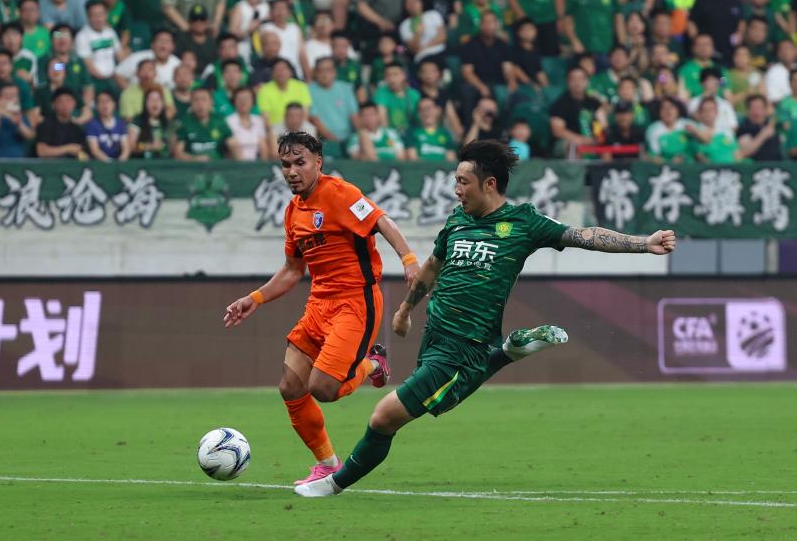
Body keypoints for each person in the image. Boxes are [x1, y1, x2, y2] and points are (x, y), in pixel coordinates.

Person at [294, 140, 677, 498]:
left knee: (384, 417)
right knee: (442, 401)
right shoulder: (457, 221)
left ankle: (334, 484)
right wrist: (406, 309)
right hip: (435, 338)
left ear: (489, 184)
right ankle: (509, 351)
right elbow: (432, 267)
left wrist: (643, 244)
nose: (456, 190)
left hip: (465, 347)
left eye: (463, 182)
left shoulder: (524, 223)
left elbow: (584, 235)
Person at [224, 131, 420, 486]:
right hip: (319, 305)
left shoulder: (340, 193)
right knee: (290, 387)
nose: (292, 171)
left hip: (355, 302)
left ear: (318, 162)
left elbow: (381, 221)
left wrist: (408, 260)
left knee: (324, 389)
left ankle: (373, 363)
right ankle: (328, 463)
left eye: (300, 162)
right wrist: (254, 299)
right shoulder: (292, 213)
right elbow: (292, 270)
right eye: (286, 164)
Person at [173, 87, 240, 160]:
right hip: (192, 166)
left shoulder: (219, 120)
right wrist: (195, 159)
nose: (200, 104)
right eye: (196, 100)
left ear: (211, 102)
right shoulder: (184, 122)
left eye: (204, 99)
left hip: (217, 165)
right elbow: (178, 153)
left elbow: (232, 143)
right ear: (190, 103)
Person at [0, 82, 35, 158]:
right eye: (6, 96)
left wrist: (19, 124)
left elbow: (30, 137)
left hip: (19, 160)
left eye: (13, 96)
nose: (10, 99)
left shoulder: (21, 116)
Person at [35, 88, 87, 159]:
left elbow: (83, 154)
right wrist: (68, 148)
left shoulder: (77, 129)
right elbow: (42, 152)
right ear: (53, 105)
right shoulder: (45, 125)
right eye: (61, 101)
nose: (65, 105)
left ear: (74, 103)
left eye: (68, 101)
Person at [225, 86, 268, 161]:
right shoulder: (228, 121)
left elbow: (263, 146)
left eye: (247, 98)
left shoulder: (258, 120)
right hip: (236, 162)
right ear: (234, 101)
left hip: (257, 162)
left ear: (253, 101)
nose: (243, 102)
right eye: (239, 99)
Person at [84, 90, 129, 161]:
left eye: (108, 101)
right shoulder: (92, 125)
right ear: (97, 106)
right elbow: (95, 150)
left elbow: (126, 148)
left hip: (119, 163)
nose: (105, 105)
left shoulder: (121, 124)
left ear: (114, 104)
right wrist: (109, 162)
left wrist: (121, 161)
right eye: (101, 102)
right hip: (100, 163)